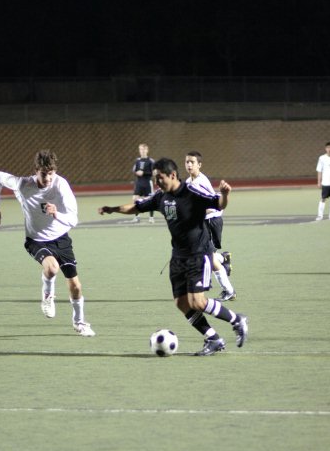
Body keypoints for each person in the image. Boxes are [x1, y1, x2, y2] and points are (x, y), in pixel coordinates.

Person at [98, 157, 248, 356]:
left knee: (198, 302)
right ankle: (213, 338)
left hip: (198, 254)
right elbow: (137, 206)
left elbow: (218, 204)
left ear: (173, 175)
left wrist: (226, 195)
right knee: (182, 303)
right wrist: (113, 209)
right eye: (154, 178)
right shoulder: (161, 197)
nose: (156, 182)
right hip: (178, 257)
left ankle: (237, 320)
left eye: (159, 178)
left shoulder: (192, 193)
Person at [0, 149, 95, 337]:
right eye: (44, 174)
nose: (48, 178)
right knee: (52, 267)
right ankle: (47, 296)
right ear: (36, 170)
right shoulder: (23, 184)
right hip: (36, 240)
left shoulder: (61, 185)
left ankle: (79, 322)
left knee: (76, 286)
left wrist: (56, 214)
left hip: (61, 238)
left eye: (51, 173)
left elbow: (73, 220)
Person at [185, 151, 236, 301]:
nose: (189, 164)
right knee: (204, 255)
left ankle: (229, 291)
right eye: (187, 162)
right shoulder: (189, 182)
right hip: (203, 222)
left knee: (209, 258)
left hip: (211, 221)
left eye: (192, 162)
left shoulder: (200, 182)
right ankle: (223, 259)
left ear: (199, 165)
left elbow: (214, 207)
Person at [131, 143, 155, 223]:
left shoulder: (151, 161)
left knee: (150, 200)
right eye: (141, 149)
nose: (142, 151)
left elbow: (153, 172)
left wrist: (144, 173)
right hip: (139, 183)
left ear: (147, 150)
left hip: (147, 183)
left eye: (144, 149)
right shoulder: (137, 160)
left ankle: (151, 218)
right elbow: (134, 170)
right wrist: (136, 172)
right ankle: (137, 217)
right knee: (135, 199)